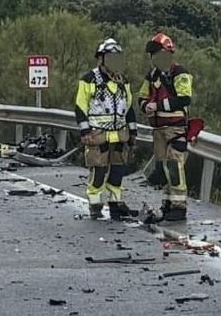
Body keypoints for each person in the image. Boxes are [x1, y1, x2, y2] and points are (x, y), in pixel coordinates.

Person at [74, 38, 137, 221]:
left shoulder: (122, 81)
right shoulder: (89, 79)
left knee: (118, 171)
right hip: (97, 134)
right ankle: (95, 204)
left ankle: (115, 204)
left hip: (119, 134)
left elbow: (129, 107)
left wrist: (132, 132)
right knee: (99, 171)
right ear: (101, 59)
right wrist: (84, 132)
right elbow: (80, 106)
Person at [138, 32, 194, 223]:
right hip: (159, 129)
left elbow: (184, 98)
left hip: (176, 128)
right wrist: (146, 106)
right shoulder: (152, 75)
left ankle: (179, 207)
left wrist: (159, 106)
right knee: (164, 168)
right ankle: (168, 203)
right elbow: (142, 96)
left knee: (174, 166)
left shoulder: (180, 73)